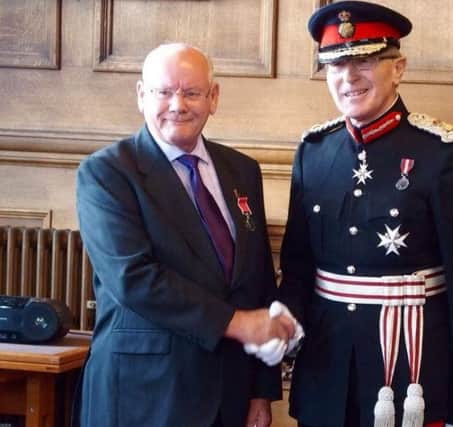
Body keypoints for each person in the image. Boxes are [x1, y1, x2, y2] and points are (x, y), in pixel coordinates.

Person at [278, 2, 453, 427]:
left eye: (363, 61)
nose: (348, 77)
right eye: (336, 64)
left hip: (411, 375)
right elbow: (297, 269)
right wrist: (283, 321)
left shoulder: (446, 155)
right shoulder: (313, 152)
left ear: (397, 67)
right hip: (325, 377)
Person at [74, 43, 298, 427]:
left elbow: (259, 280)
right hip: (143, 396)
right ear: (142, 96)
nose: (178, 104)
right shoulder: (107, 173)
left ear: (213, 98)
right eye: (164, 92)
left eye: (192, 92)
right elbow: (134, 279)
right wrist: (237, 323)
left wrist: (261, 392)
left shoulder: (242, 171)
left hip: (229, 395)